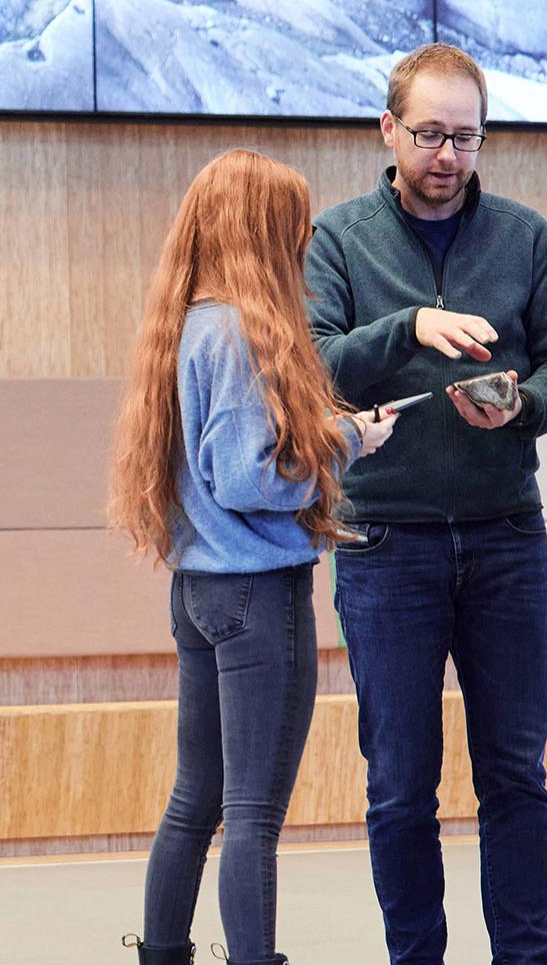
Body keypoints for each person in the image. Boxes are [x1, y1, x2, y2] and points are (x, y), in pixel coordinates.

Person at [303, 43, 547, 964]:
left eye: (465, 137)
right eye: (428, 134)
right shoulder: (339, 238)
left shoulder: (524, 235)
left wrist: (525, 405)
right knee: (398, 787)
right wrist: (408, 328)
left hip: (506, 537)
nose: (446, 156)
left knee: (515, 777)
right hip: (386, 544)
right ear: (387, 131)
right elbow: (313, 365)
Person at [112, 149, 396, 965]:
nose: (303, 245)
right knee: (252, 812)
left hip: (198, 593)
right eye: (293, 230)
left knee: (194, 799)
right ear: (264, 236)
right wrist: (348, 440)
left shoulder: (185, 327)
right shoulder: (236, 332)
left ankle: (162, 951)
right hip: (256, 600)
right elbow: (245, 476)